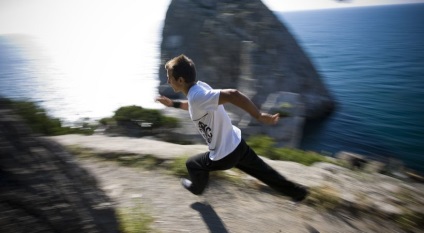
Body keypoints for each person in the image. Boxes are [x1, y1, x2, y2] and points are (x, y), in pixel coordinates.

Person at [155, 54, 308, 202]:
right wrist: (172, 104)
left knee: (192, 164)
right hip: (237, 144)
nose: (168, 81)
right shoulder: (200, 89)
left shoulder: (197, 97)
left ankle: (197, 188)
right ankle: (298, 192)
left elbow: (233, 94)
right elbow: (191, 105)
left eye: (169, 77)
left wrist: (259, 116)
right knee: (265, 173)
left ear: (180, 80)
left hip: (223, 156)